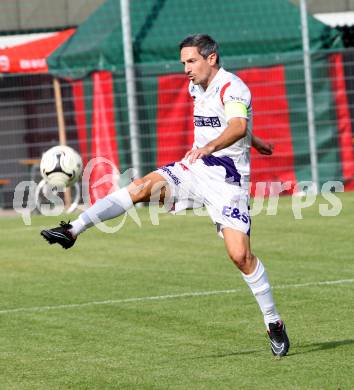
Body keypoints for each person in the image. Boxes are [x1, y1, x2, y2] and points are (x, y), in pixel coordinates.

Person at [41, 34, 289, 357]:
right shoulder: (195, 87)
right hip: (194, 170)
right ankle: (73, 229)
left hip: (227, 184)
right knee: (141, 187)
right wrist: (250, 142)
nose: (185, 69)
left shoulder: (234, 87)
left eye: (191, 61)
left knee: (240, 255)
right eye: (183, 63)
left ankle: (273, 322)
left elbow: (238, 124)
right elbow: (232, 123)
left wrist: (226, 144)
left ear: (211, 58)